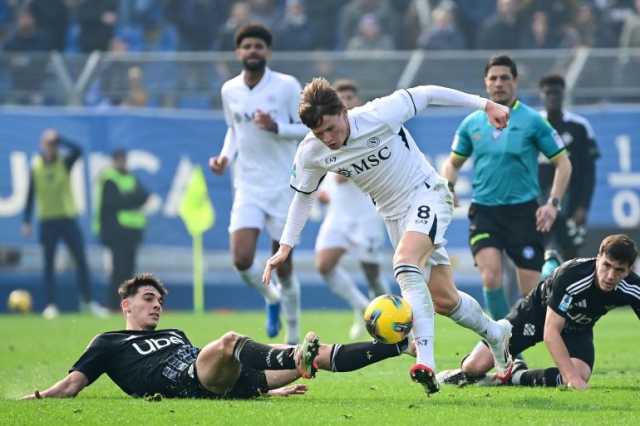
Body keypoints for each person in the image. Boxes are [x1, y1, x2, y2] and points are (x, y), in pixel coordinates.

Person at [263, 77, 515, 396]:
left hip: (428, 194)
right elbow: (303, 197)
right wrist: (285, 246)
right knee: (443, 299)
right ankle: (496, 333)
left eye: (331, 128)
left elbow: (428, 93)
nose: (328, 138)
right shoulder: (311, 152)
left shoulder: (379, 113)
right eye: (319, 133)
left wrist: (486, 104)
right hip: (394, 216)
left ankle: (425, 361)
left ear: (343, 111)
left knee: (405, 263)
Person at [22, 273, 412, 400]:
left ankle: (398, 347)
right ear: (126, 304)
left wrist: (267, 391)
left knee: (320, 354)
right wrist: (39, 397)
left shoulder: (174, 332)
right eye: (148, 299)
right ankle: (296, 357)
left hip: (222, 378)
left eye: (159, 300)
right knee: (229, 340)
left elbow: (210, 364)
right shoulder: (108, 342)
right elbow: (74, 383)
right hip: (188, 381)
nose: (156, 305)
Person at [441, 55, 572, 323]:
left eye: (504, 78)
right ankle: (504, 343)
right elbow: (452, 164)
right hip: (485, 212)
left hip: (523, 212)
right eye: (493, 78)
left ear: (515, 81)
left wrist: (552, 203)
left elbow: (563, 163)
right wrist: (449, 187)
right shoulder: (472, 123)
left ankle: (548, 275)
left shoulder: (532, 120)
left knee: (531, 292)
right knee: (491, 276)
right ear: (485, 83)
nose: (499, 83)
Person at [208, 24, 309, 344]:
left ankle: (292, 336)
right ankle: (272, 297)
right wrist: (225, 157)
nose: (253, 51)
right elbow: (233, 129)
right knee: (241, 259)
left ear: (267, 52)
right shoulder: (229, 90)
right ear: (238, 52)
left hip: (282, 185)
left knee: (284, 265)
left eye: (259, 46)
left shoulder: (286, 86)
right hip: (248, 185)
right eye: (247, 46)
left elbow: (306, 129)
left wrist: (276, 126)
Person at [438, 234, 639, 390]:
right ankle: (464, 372)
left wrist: (574, 377)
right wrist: (571, 380)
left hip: (578, 326)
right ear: (598, 258)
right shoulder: (572, 276)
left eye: (619, 270)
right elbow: (551, 332)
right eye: (606, 265)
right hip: (536, 313)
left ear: (629, 270)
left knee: (581, 373)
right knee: (475, 366)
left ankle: (515, 376)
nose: (610, 275)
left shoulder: (633, 287)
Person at [314, 79, 390, 339]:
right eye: (341, 96)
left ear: (356, 102)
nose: (346, 100)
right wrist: (323, 192)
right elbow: (321, 171)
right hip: (338, 215)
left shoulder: (367, 130)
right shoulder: (325, 132)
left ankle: (390, 316)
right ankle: (364, 309)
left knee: (371, 273)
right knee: (324, 264)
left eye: (350, 96)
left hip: (366, 216)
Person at [22, 129, 108, 319]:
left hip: (67, 219)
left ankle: (87, 302)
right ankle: (51, 305)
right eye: (48, 144)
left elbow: (79, 150)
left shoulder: (64, 163)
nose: (51, 148)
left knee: (81, 261)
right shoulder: (35, 166)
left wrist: (60, 139)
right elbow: (30, 194)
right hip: (47, 221)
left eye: (54, 144)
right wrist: (26, 220)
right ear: (42, 146)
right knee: (48, 264)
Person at [538, 74, 600, 275]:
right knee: (538, 256)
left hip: (572, 202)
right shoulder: (533, 125)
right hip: (537, 203)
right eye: (548, 92)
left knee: (571, 257)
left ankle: (571, 302)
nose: (553, 97)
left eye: (556, 92)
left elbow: (588, 171)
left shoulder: (579, 127)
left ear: (563, 94)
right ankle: (534, 301)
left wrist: (583, 206)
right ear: (542, 95)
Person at [94, 149, 150, 310]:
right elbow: (114, 202)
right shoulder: (109, 179)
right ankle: (114, 304)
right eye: (119, 160)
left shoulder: (130, 177)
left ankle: (127, 304)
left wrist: (129, 198)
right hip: (116, 232)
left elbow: (144, 196)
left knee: (129, 271)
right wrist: (132, 199)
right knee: (118, 271)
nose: (122, 163)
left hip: (131, 232)